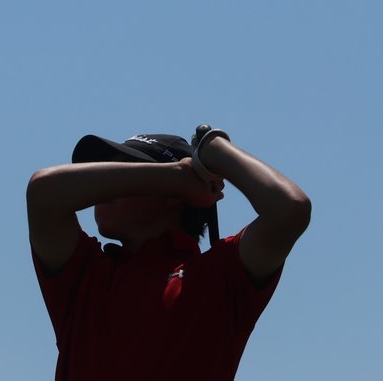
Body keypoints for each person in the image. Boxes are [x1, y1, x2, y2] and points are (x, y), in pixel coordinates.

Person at [26, 127, 311, 381]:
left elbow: (290, 209)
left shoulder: (220, 273)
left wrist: (214, 149)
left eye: (127, 170)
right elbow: (43, 191)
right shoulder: (85, 274)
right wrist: (177, 176)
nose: (104, 185)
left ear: (173, 196)